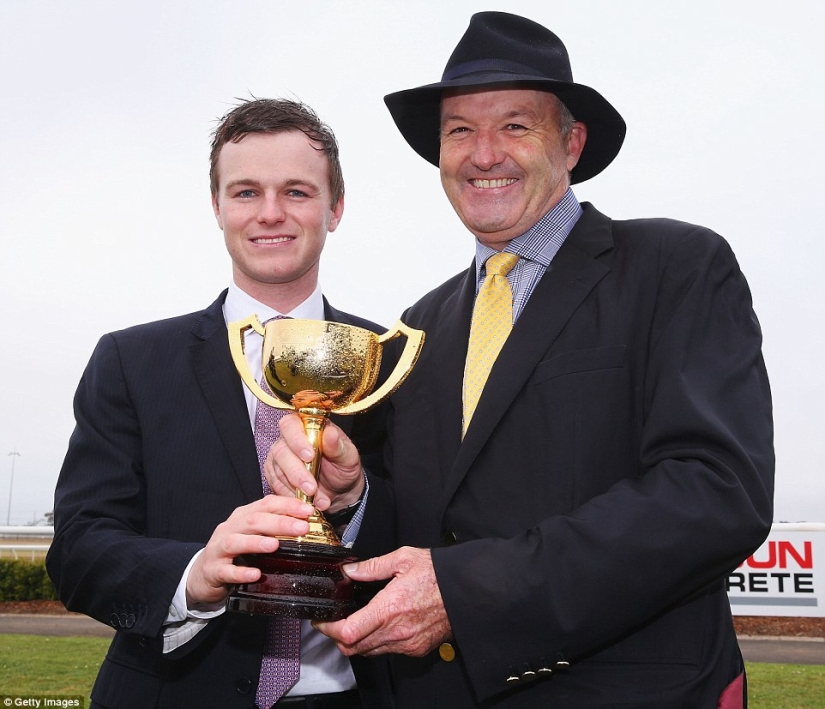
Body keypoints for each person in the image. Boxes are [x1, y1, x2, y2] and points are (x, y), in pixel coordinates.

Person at [267, 12, 774, 709]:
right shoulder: (418, 325)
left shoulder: (675, 267)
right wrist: (352, 496)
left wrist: (470, 592)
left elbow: (714, 494)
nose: (483, 153)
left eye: (514, 124)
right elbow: (426, 525)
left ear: (570, 143)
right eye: (459, 130)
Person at [46, 98, 393, 709]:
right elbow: (78, 548)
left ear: (336, 208)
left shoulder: (384, 362)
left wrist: (355, 502)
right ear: (216, 207)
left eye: (296, 191)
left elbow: (437, 533)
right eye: (245, 192)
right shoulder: (131, 361)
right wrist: (197, 576)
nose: (270, 214)